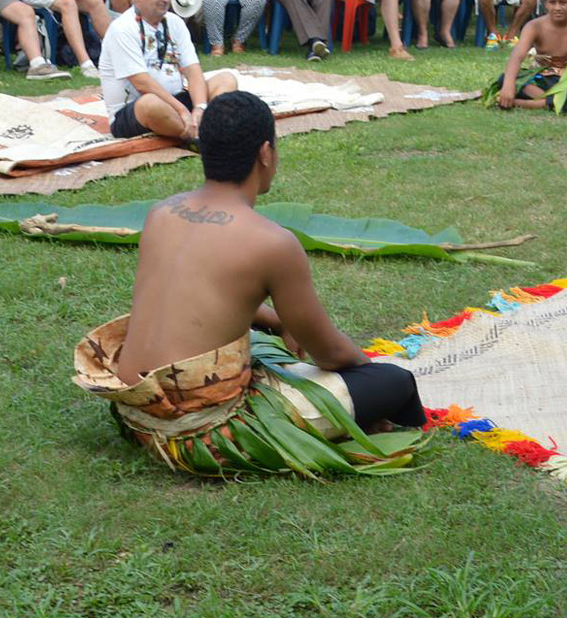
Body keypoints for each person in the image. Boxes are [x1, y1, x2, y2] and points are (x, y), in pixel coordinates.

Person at [73, 90, 428, 477]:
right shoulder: (272, 243)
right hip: (201, 433)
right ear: (265, 153)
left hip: (134, 415)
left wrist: (276, 321)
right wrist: (366, 372)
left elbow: (202, 294)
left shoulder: (162, 212)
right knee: (395, 382)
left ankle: (351, 413)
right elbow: (329, 354)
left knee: (256, 341)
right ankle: (363, 417)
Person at [97, 0, 238, 139]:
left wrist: (200, 107)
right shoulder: (122, 28)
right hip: (136, 109)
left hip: (175, 100)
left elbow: (193, 72)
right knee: (150, 104)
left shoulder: (175, 22)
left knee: (226, 79)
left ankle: (199, 127)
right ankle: (195, 134)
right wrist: (182, 110)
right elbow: (142, 84)